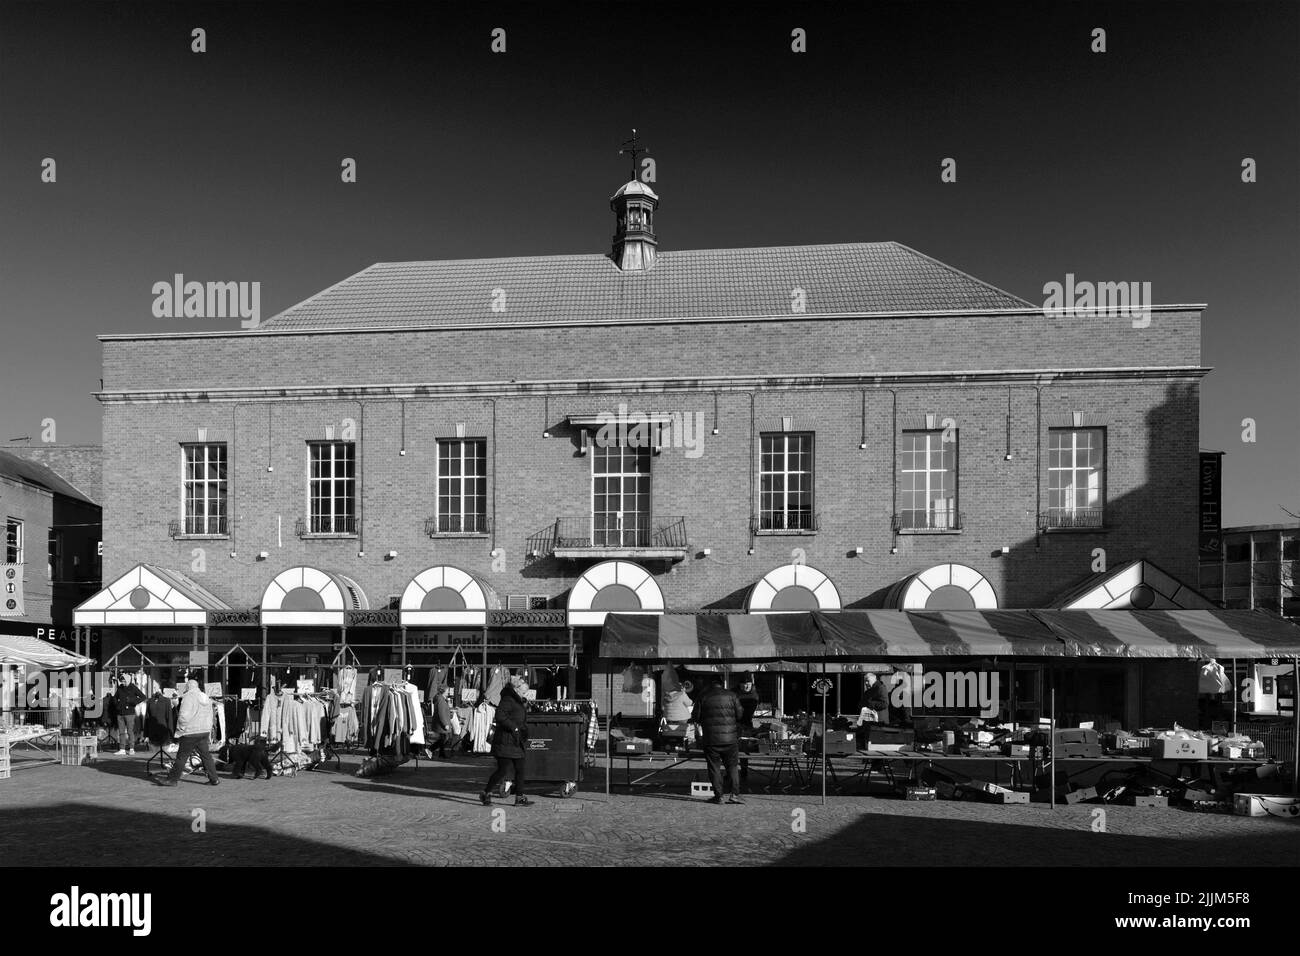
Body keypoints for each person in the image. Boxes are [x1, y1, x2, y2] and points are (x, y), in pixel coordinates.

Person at [155, 680, 219, 787]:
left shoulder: (188, 697)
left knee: (182, 757)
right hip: (203, 731)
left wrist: (180, 730)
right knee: (206, 756)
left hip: (190, 732)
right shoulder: (205, 697)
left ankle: (172, 780)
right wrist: (207, 729)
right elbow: (210, 715)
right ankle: (214, 779)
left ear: (188, 687)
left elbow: (183, 716)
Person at [480, 675, 532, 807]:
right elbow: (500, 716)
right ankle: (486, 793)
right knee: (502, 770)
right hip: (505, 741)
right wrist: (514, 727)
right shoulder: (508, 699)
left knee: (520, 769)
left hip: (515, 741)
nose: (524, 694)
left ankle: (519, 797)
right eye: (523, 692)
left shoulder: (517, 700)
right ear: (517, 689)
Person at [697, 674, 745, 805]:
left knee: (714, 768)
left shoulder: (703, 696)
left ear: (710, 684)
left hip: (711, 740)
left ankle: (719, 796)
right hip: (730, 739)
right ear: (721, 683)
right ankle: (734, 795)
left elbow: (696, 716)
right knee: (733, 767)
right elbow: (740, 714)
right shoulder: (732, 695)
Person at [113, 674, 146, 755]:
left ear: (127, 680)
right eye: (121, 681)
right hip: (120, 713)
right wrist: (117, 705)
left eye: (124, 681)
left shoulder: (133, 687)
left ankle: (131, 749)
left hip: (130, 713)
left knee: (130, 731)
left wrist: (132, 701)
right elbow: (115, 698)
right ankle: (122, 749)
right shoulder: (120, 688)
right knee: (121, 732)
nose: (122, 683)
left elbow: (143, 697)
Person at [429, 683, 455, 759]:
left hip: (440, 722)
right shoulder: (440, 699)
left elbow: (443, 711)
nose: (448, 692)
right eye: (447, 690)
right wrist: (445, 724)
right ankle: (430, 749)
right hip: (440, 723)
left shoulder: (442, 699)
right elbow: (441, 713)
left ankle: (441, 753)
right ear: (444, 690)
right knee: (445, 738)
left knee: (443, 737)